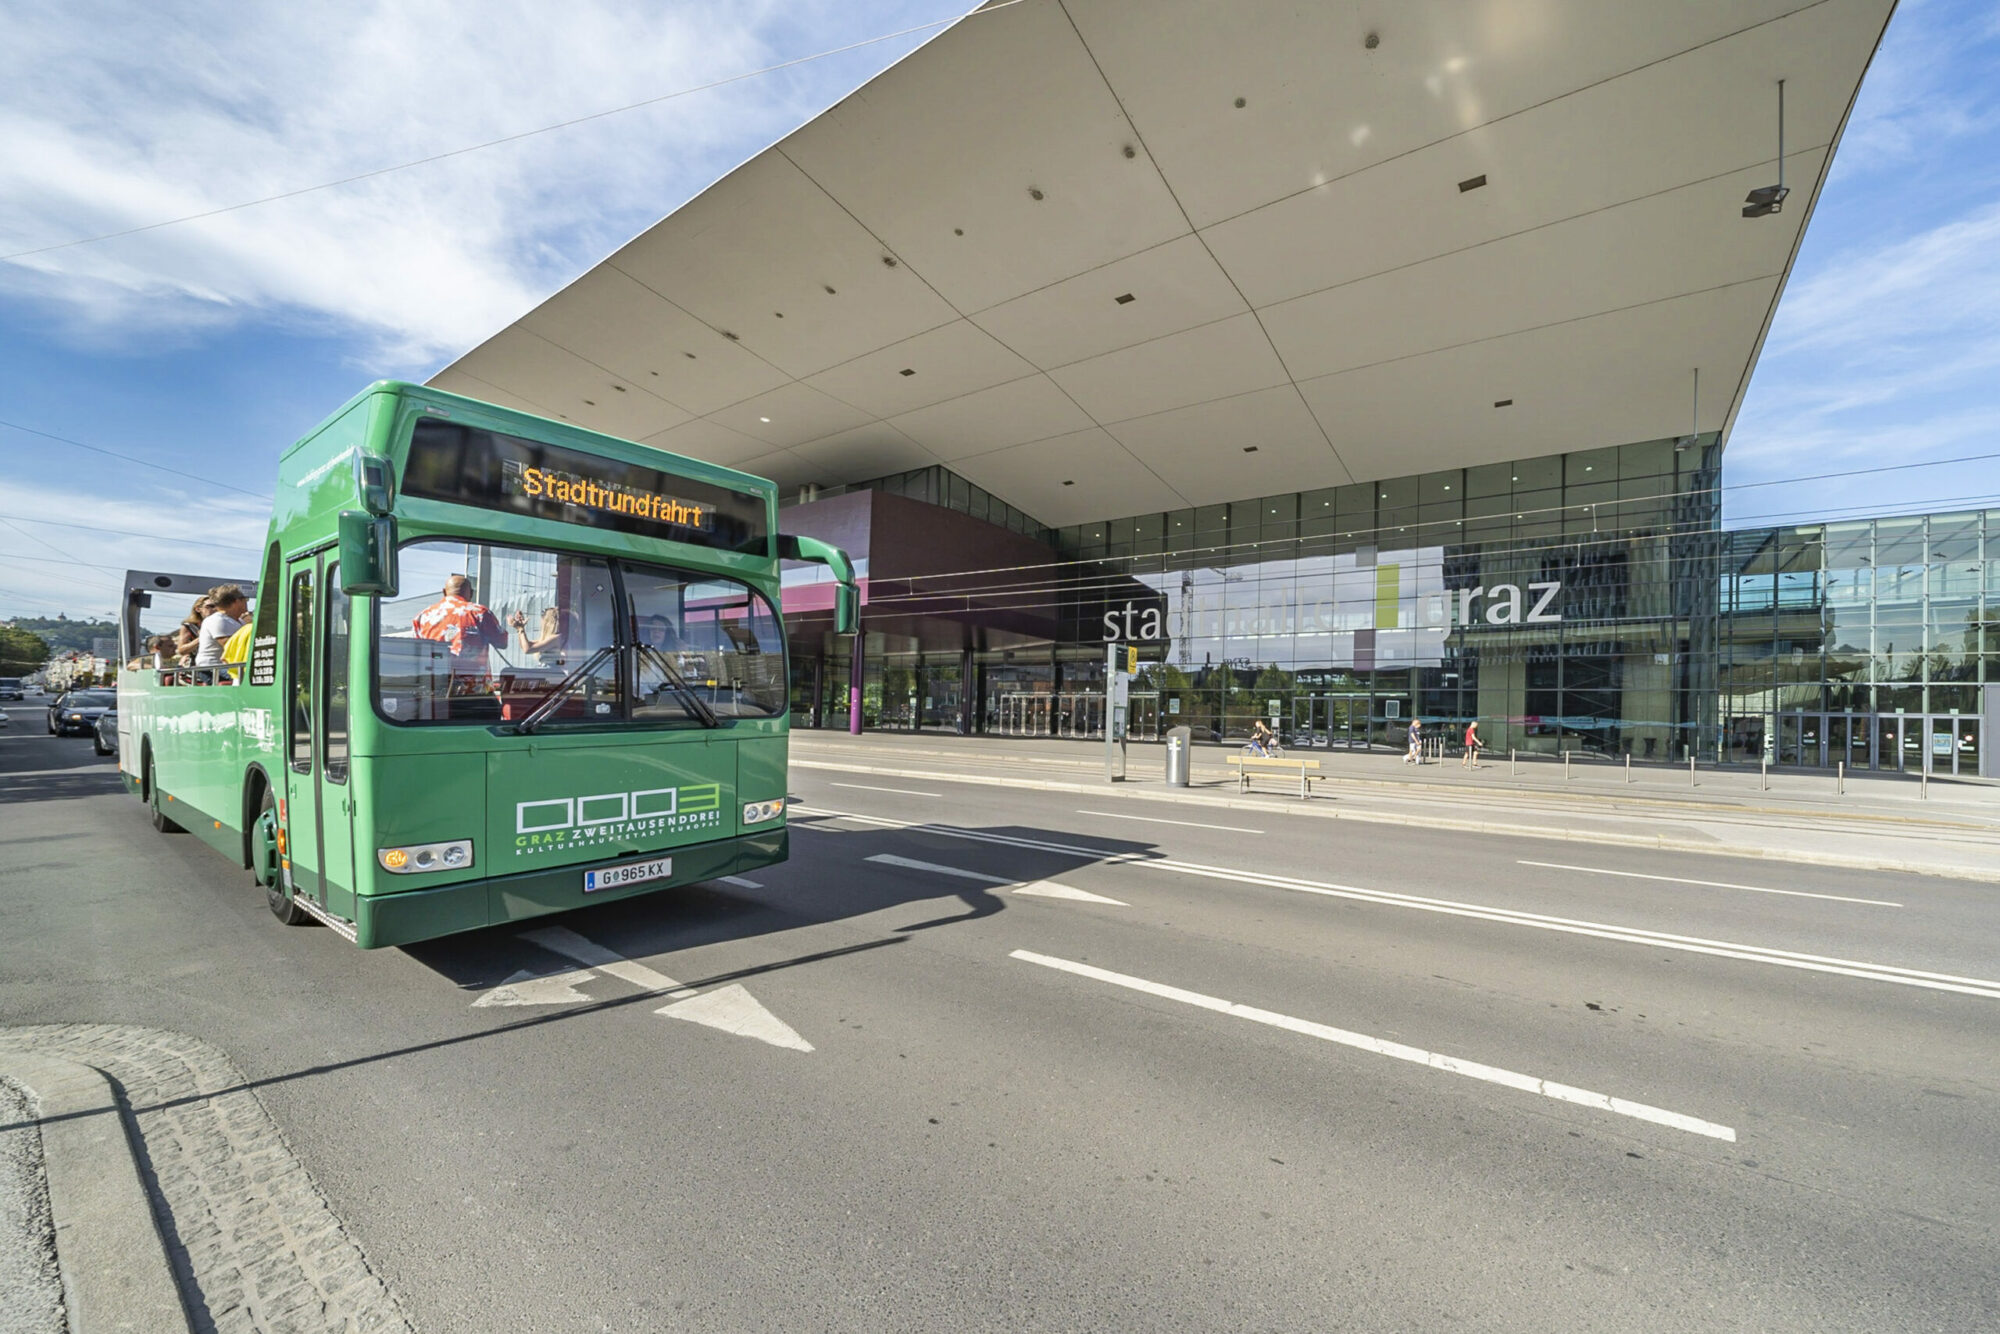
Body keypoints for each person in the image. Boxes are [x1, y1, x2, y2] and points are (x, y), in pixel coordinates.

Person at [412, 575, 508, 675]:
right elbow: (502, 642)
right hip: (472, 686)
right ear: (471, 593)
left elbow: (417, 652)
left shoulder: (422, 616)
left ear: (444, 592)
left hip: (434, 683)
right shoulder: (480, 613)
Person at [196, 586, 249, 667]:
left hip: (229, 666)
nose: (246, 602)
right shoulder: (217, 620)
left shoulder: (239, 621)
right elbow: (232, 647)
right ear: (237, 601)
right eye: (245, 599)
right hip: (212, 667)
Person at [508, 606, 573, 666]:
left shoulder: (556, 638)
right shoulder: (553, 638)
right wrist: (520, 628)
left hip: (553, 675)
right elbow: (525, 645)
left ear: (548, 622)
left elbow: (528, 649)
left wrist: (520, 628)